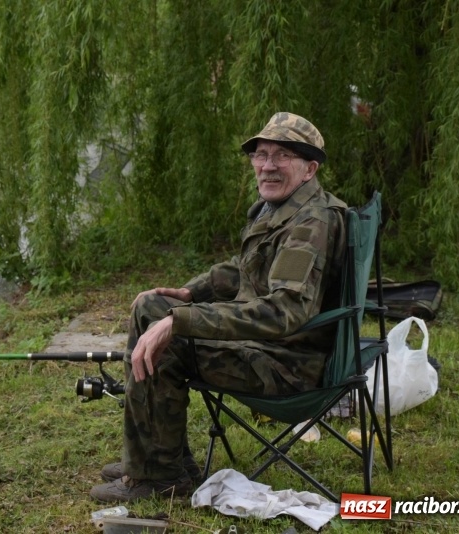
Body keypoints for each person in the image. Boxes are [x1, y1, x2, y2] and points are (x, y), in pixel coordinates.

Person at [90, 112, 348, 503]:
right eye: (261, 155)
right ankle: (155, 457)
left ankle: (160, 477)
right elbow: (246, 269)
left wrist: (182, 322)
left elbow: (284, 310)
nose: (267, 166)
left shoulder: (310, 224)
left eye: (282, 156)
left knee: (168, 341)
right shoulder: (285, 209)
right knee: (152, 306)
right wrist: (189, 295)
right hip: (272, 351)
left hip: (285, 365)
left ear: (310, 168)